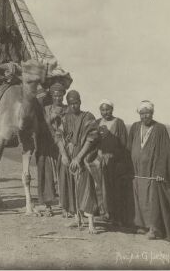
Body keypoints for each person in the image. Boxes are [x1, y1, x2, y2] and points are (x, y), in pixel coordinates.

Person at [129, 100, 170, 240]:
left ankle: (153, 228)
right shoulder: (135, 127)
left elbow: (165, 151)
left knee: (152, 200)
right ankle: (141, 225)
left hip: (151, 172)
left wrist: (161, 172)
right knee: (139, 198)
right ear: (139, 114)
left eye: (148, 113)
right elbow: (129, 145)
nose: (145, 116)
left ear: (152, 113)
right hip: (138, 172)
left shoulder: (160, 128)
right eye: (142, 113)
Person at [86, 99, 130, 226]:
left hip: (114, 161)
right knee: (99, 187)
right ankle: (103, 214)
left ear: (112, 109)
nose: (105, 112)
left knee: (114, 189)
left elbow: (124, 143)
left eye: (108, 109)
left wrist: (121, 161)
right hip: (99, 160)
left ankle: (116, 216)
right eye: (103, 110)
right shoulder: (97, 123)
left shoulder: (119, 123)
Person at [64, 90, 99, 233]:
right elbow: (60, 137)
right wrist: (66, 156)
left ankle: (91, 223)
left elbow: (91, 139)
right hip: (70, 157)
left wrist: (79, 157)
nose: (74, 106)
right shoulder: (65, 118)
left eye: (76, 103)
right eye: (71, 104)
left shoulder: (88, 117)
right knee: (72, 188)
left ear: (80, 102)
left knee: (86, 187)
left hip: (83, 157)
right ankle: (77, 218)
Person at [37, 82, 67, 217]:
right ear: (51, 96)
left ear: (63, 96)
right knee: (47, 173)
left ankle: (66, 205)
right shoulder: (46, 109)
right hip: (47, 144)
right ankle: (48, 205)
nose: (58, 98)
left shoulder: (68, 109)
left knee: (64, 173)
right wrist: (50, 120)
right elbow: (40, 127)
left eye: (60, 96)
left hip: (63, 145)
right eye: (55, 96)